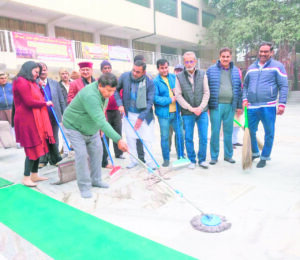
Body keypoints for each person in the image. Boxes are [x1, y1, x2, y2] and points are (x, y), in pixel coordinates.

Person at [63, 73, 128, 198]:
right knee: (82, 155)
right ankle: (84, 186)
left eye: (113, 91)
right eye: (108, 90)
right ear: (100, 85)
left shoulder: (104, 93)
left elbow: (101, 112)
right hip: (74, 126)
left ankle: (96, 180)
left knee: (98, 151)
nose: (110, 94)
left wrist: (101, 127)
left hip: (91, 127)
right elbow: (100, 120)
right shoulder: (90, 95)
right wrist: (118, 139)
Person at [243, 42, 288, 168]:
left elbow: (283, 86)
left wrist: (282, 104)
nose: (263, 54)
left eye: (266, 51)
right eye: (261, 51)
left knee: (269, 132)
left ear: (271, 52)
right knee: (250, 131)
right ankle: (255, 152)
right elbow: (245, 85)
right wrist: (244, 98)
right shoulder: (251, 67)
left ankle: (264, 156)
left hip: (268, 105)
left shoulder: (278, 66)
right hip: (252, 106)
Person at [13, 61, 54, 187]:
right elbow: (29, 102)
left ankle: (34, 175)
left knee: (39, 144)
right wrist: (45, 104)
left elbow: (39, 97)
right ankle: (26, 177)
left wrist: (40, 87)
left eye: (38, 73)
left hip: (35, 118)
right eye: (36, 72)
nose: (37, 75)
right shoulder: (20, 81)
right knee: (32, 147)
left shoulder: (31, 82)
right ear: (28, 69)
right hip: (26, 119)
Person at [114, 60, 156, 169]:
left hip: (145, 116)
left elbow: (149, 102)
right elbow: (116, 90)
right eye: (133, 70)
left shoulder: (149, 83)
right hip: (129, 114)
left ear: (144, 72)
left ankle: (150, 162)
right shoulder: (125, 77)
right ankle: (133, 160)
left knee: (147, 140)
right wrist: (120, 104)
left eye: (138, 72)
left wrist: (141, 118)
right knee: (130, 139)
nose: (134, 73)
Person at [206, 47, 242, 165]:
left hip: (231, 105)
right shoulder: (211, 70)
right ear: (219, 57)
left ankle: (228, 155)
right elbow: (205, 89)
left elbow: (239, 89)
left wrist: (239, 106)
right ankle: (214, 157)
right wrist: (207, 106)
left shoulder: (236, 71)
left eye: (227, 56)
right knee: (215, 131)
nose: (225, 59)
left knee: (228, 131)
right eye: (223, 56)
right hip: (216, 105)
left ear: (230, 57)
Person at [175, 51, 210, 169]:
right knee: (188, 137)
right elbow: (178, 95)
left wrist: (200, 108)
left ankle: (202, 159)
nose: (189, 64)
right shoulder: (179, 77)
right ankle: (192, 160)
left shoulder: (203, 74)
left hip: (202, 112)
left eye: (191, 61)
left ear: (195, 61)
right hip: (187, 113)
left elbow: (206, 92)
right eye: (186, 61)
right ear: (184, 62)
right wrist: (190, 108)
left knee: (204, 137)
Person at [153, 59, 184, 167]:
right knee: (165, 136)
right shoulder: (155, 81)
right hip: (163, 115)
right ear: (158, 69)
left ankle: (181, 156)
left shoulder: (173, 77)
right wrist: (170, 100)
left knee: (180, 134)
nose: (164, 70)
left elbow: (180, 91)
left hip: (176, 113)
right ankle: (166, 159)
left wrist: (178, 92)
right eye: (162, 68)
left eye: (166, 67)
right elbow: (155, 98)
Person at [37, 63, 66, 168]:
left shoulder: (54, 83)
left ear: (47, 71)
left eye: (44, 70)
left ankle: (55, 158)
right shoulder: (34, 83)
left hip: (54, 114)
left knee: (54, 137)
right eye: (41, 70)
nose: (43, 72)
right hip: (40, 116)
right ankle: (43, 159)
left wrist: (64, 113)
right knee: (42, 138)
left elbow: (61, 99)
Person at [100, 60, 125, 160]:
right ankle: (106, 155)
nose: (107, 70)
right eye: (105, 68)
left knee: (117, 131)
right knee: (105, 132)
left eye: (108, 68)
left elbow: (120, 93)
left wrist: (121, 106)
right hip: (105, 111)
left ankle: (119, 153)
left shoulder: (115, 80)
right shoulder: (99, 81)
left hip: (116, 110)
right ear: (102, 70)